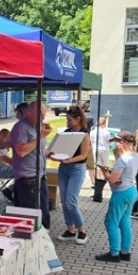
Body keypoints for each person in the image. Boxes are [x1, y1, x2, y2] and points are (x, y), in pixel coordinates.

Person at [95, 131, 138, 262]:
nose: (115, 144)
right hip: (131, 190)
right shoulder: (135, 156)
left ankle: (114, 253)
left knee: (111, 222)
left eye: (117, 141)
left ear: (123, 142)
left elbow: (113, 180)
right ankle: (125, 252)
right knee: (125, 222)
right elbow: (125, 172)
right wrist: (116, 156)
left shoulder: (123, 159)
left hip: (121, 193)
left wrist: (104, 170)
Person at [49, 106, 91, 245]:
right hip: (64, 168)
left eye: (69, 119)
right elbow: (58, 150)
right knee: (64, 202)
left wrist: (68, 160)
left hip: (76, 169)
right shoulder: (66, 132)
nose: (67, 122)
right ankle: (70, 230)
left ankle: (82, 231)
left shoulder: (84, 134)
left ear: (78, 119)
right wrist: (54, 155)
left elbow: (83, 155)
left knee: (71, 202)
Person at [11, 102, 52, 229]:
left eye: (44, 115)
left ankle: (44, 237)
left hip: (40, 174)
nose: (43, 118)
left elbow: (37, 148)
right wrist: (41, 136)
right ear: (29, 114)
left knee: (44, 210)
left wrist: (49, 153)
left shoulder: (38, 127)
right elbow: (21, 151)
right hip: (28, 177)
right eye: (41, 115)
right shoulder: (20, 128)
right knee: (31, 214)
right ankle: (33, 239)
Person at [89, 116, 110, 186]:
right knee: (105, 164)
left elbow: (91, 142)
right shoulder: (106, 132)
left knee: (97, 165)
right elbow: (108, 141)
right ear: (104, 124)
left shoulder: (92, 131)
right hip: (104, 149)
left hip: (95, 149)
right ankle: (104, 178)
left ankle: (97, 179)